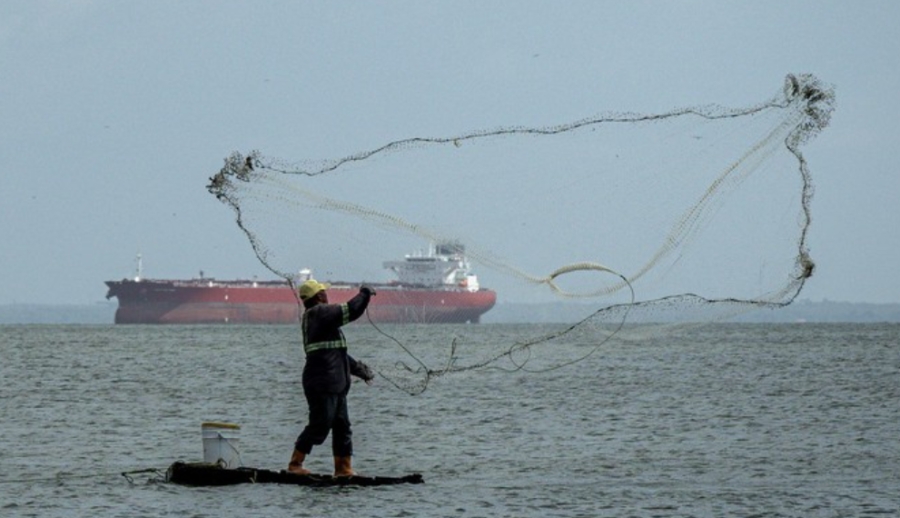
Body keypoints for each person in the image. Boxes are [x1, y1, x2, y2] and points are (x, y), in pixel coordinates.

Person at [287, 279, 376, 477]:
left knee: (342, 427)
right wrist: (365, 293)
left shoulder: (322, 321)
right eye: (324, 292)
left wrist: (359, 370)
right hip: (322, 383)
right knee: (320, 424)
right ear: (319, 296)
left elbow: (337, 354)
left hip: (335, 384)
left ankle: (343, 469)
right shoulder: (319, 313)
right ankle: (295, 464)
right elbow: (351, 310)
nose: (327, 295)